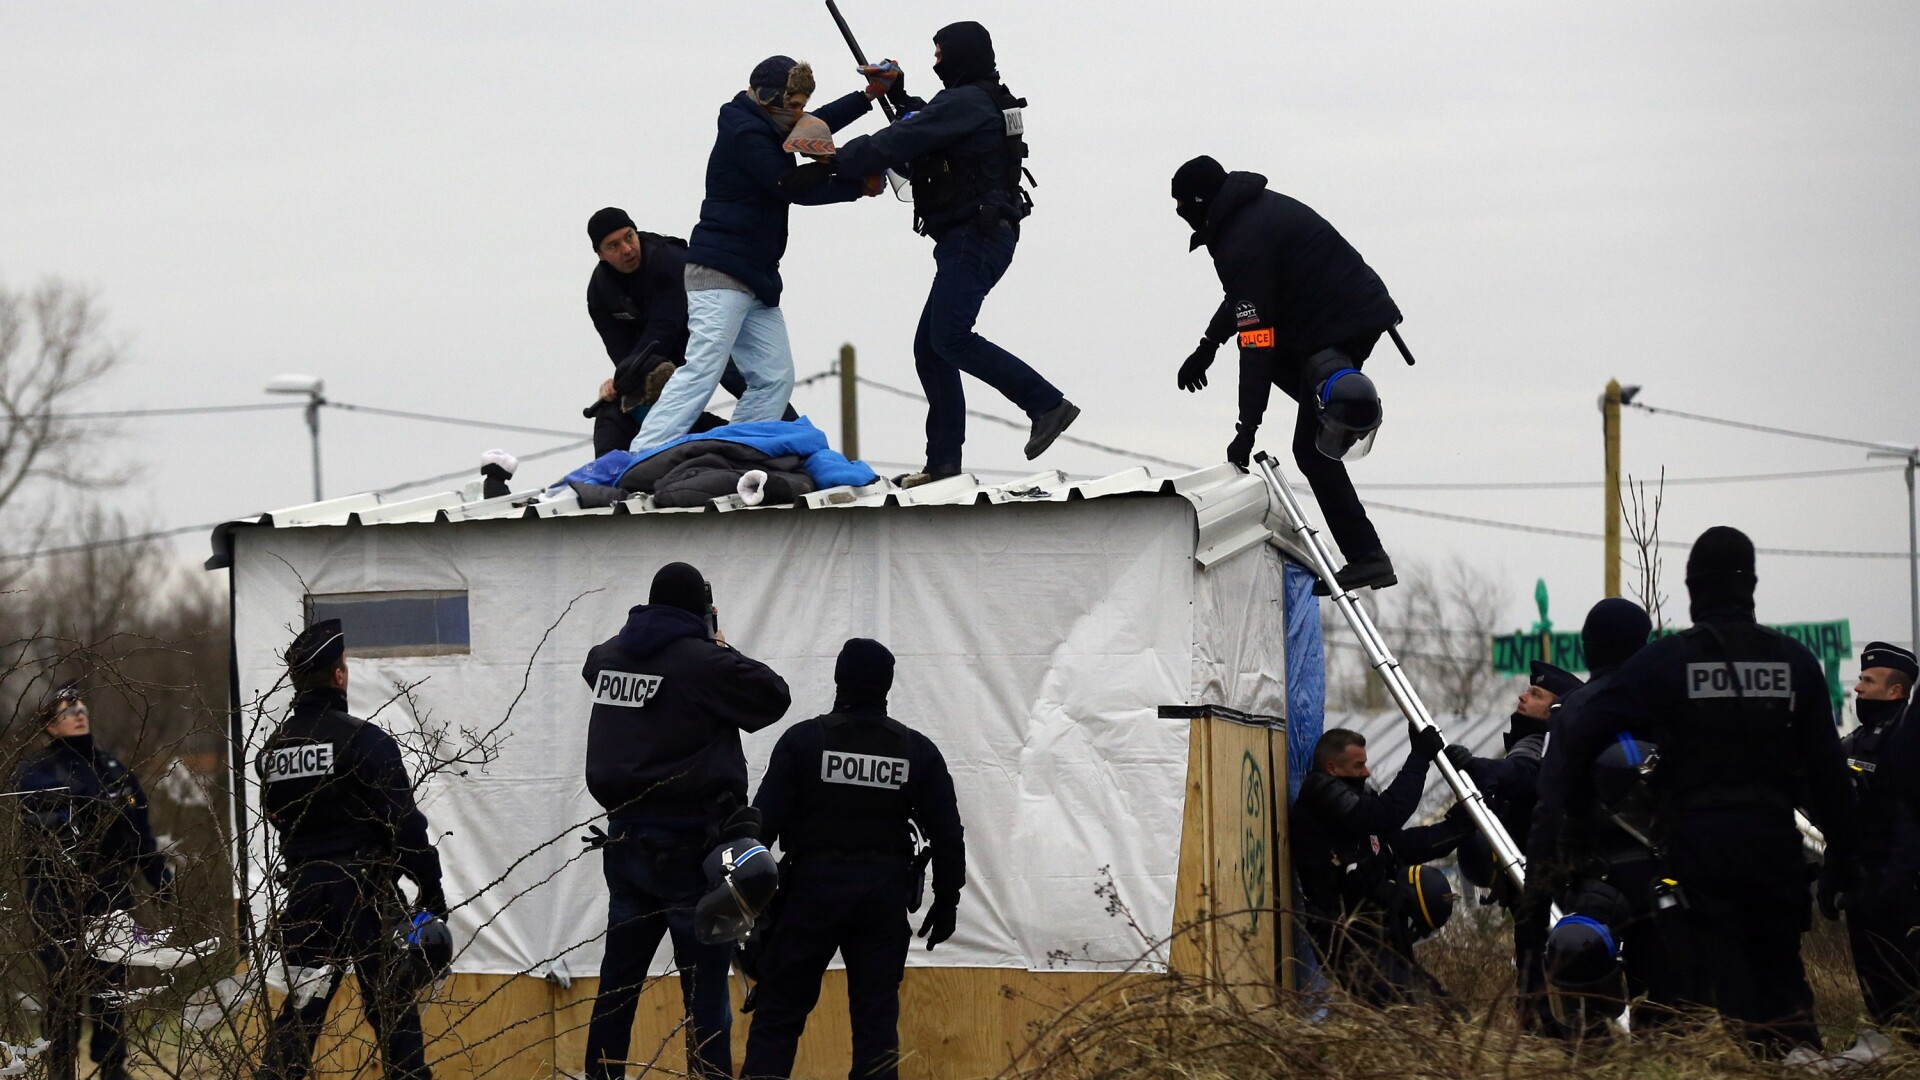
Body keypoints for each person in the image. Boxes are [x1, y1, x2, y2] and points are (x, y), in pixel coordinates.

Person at [1553, 527, 1860, 1058]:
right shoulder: (1795, 662)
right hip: (1774, 846)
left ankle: (1734, 1060)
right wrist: (1844, 861)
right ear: (1752, 586)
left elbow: (1583, 734)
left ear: (1693, 588)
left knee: (1710, 987)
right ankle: (1794, 1058)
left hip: (1698, 849)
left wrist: (1576, 824)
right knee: (1782, 983)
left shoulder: (1668, 661)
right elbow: (1830, 777)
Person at [827, 22, 1080, 487]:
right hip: (979, 234)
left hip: (974, 236)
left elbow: (902, 139)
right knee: (931, 348)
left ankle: (1046, 403)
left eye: (940, 55)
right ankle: (943, 464)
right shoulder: (982, 98)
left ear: (962, 55)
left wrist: (832, 157)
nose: (936, 63)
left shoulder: (967, 102)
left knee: (949, 338)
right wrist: (899, 95)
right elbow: (929, 123)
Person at [580, 562, 792, 1079]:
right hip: (690, 849)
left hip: (625, 841)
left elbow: (599, 669)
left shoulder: (606, 657)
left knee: (617, 986)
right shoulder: (703, 662)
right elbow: (774, 695)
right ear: (700, 610)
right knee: (705, 993)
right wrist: (716, 642)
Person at [1170, 155, 1404, 592]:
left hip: (1343, 321)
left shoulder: (1241, 236)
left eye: (1181, 204)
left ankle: (1368, 557)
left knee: (1311, 449)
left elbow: (1256, 340)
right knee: (1306, 419)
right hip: (1341, 316)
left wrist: (1247, 428)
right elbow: (1246, 296)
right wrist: (1208, 345)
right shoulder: (1244, 219)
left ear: (1199, 201)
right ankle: (1367, 553)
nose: (1179, 213)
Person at [630, 58, 883, 453]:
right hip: (720, 274)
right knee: (702, 371)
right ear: (768, 97)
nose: (798, 114)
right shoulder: (746, 133)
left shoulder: (767, 122)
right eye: (794, 105)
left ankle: (735, 451)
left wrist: (867, 96)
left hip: (756, 277)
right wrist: (854, 182)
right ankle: (642, 455)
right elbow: (790, 185)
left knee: (774, 377)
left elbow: (814, 125)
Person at [739, 638, 965, 1079]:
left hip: (810, 893)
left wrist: (740, 902)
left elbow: (760, 828)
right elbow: (947, 832)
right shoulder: (916, 750)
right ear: (888, 685)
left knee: (779, 1014)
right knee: (876, 1024)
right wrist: (947, 899)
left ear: (838, 678)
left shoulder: (804, 741)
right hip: (882, 896)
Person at [255, 620, 446, 1080]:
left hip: (305, 894)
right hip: (365, 894)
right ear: (339, 676)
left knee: (301, 1013)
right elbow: (405, 825)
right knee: (394, 1011)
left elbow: (277, 816)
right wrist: (430, 887)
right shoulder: (366, 740)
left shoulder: (272, 751)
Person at [1522, 600, 1671, 1037]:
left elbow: (1549, 809)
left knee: (1579, 958)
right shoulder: (1670, 703)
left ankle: (1593, 1042)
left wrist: (1532, 915)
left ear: (1589, 648)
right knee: (1669, 1008)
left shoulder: (1576, 709)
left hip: (1595, 876)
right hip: (1670, 874)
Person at [16, 681, 172, 1080]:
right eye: (69, 711)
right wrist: (88, 806)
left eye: (82, 708)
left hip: (111, 888)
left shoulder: (113, 770)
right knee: (63, 983)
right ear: (51, 725)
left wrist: (159, 877)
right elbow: (37, 812)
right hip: (57, 891)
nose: (79, 714)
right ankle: (60, 1064)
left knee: (111, 982)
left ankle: (112, 1065)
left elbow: (141, 834)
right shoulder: (37, 770)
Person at [585, 208, 794, 456]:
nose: (627, 249)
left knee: (751, 382)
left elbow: (664, 327)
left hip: (705, 335)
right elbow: (621, 350)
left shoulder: (668, 258)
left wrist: (628, 373)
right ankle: (621, 467)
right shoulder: (599, 293)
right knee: (617, 405)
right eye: (614, 246)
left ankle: (797, 438)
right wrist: (621, 382)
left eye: (629, 237)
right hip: (659, 351)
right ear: (600, 254)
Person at [1447, 659, 1580, 1030]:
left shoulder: (1544, 746)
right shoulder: (1538, 742)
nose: (1523, 696)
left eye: (1535, 694)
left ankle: (1565, 1024)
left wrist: (1478, 767)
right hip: (1535, 875)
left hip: (1555, 874)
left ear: (1555, 709)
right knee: (1535, 954)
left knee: (1560, 954)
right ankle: (1541, 1021)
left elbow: (1523, 774)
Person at [1291, 724, 1464, 1006]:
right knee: (1416, 1007)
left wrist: (1457, 828)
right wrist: (1419, 758)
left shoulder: (1361, 802)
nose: (1367, 772)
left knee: (1443, 1006)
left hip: (1379, 931)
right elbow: (1385, 815)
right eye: (1358, 766)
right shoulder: (1319, 793)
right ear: (1332, 768)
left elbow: (1403, 845)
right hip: (1345, 938)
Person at [1837, 641, 1919, 1037]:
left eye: (1868, 681)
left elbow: (1908, 820)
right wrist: (1835, 872)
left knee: (1903, 987)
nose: (1857, 688)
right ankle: (1886, 1044)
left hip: (1897, 888)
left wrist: (1893, 886)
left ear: (1895, 691)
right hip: (1861, 882)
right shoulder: (1855, 741)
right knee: (1875, 985)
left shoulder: (1906, 741)